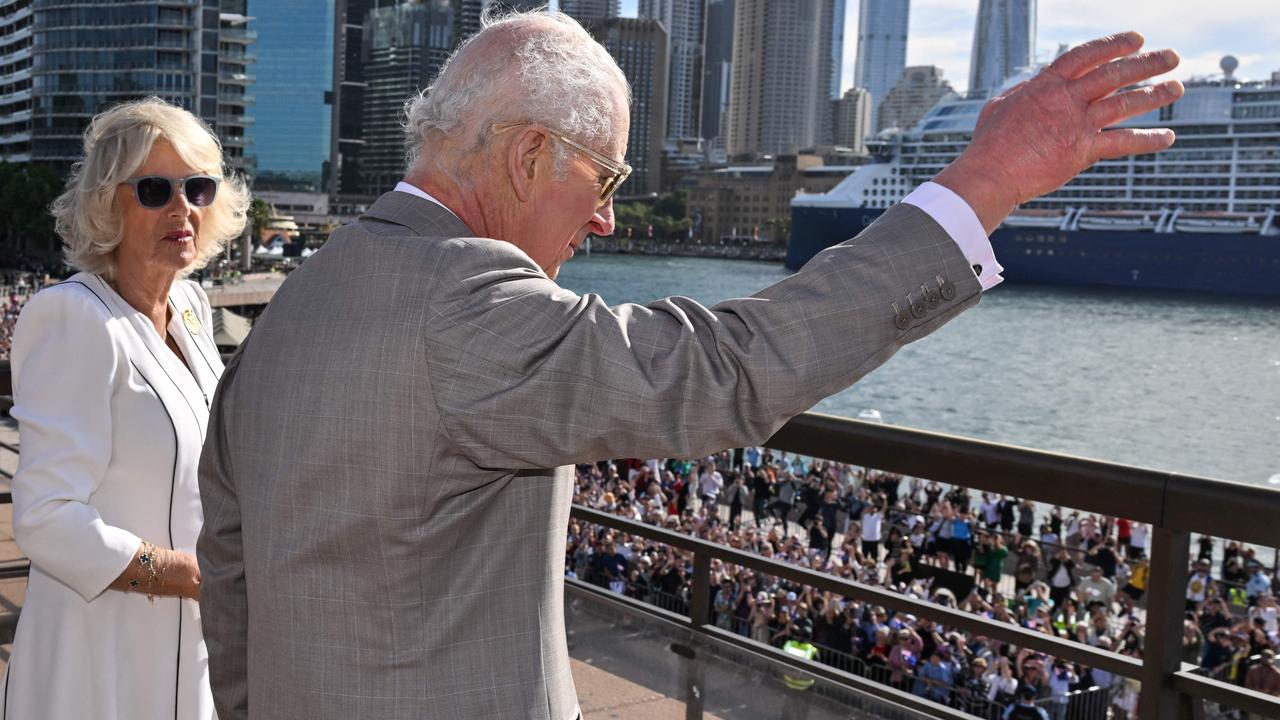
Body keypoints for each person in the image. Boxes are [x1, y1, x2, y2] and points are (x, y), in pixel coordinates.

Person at [195, 10, 1184, 719]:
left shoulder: (310, 293)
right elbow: (724, 369)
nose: (608, 218)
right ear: (532, 155)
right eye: (607, 176)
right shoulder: (462, 307)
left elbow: (231, 573)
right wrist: (987, 180)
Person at [1, 99, 248, 719]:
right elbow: (47, 517)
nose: (182, 207)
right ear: (109, 203)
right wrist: (186, 575)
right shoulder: (73, 317)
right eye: (155, 189)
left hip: (190, 642)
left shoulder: (190, 307)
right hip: (100, 653)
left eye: (196, 187)